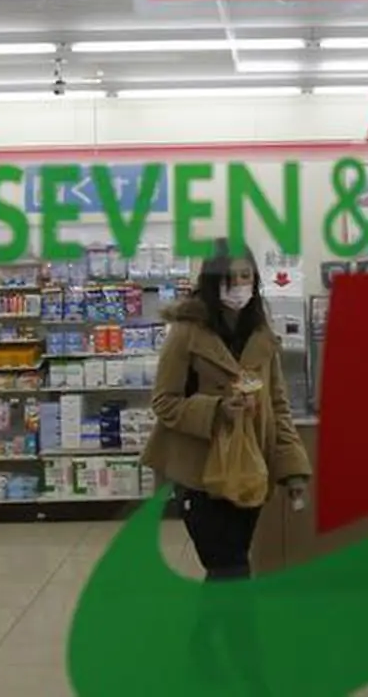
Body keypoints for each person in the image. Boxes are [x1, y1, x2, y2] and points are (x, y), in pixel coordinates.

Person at [142, 239, 312, 581]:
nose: (238, 286)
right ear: (211, 281)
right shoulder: (186, 332)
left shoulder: (261, 334)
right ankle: (242, 636)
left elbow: (278, 407)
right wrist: (218, 409)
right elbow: (164, 402)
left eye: (245, 276)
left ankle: (214, 636)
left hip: (250, 469)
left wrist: (292, 469)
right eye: (228, 278)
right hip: (200, 475)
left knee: (229, 567)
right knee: (230, 568)